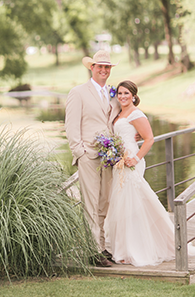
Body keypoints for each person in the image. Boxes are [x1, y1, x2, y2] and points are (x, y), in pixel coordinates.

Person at [104, 80, 195, 266]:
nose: (122, 97)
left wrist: (135, 158)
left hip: (131, 161)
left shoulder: (136, 113)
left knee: (131, 204)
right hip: (119, 162)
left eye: (126, 94)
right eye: (120, 93)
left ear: (134, 96)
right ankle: (124, 249)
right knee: (123, 205)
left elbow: (149, 139)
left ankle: (133, 250)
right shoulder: (119, 112)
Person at [65, 50, 120, 267]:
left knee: (105, 203)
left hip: (108, 156)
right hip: (88, 155)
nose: (104, 71)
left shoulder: (112, 94)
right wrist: (80, 152)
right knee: (90, 203)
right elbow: (71, 126)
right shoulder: (78, 92)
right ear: (92, 68)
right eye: (100, 67)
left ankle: (102, 246)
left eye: (107, 67)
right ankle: (92, 250)